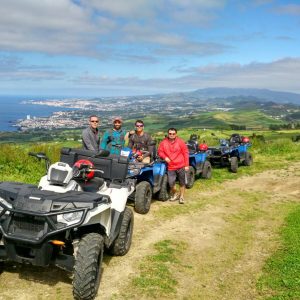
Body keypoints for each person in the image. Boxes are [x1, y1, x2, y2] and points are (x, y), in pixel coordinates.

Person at [158, 127, 189, 204]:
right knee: (171, 183)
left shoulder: (180, 142)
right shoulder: (163, 142)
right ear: (168, 134)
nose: (171, 135)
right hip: (171, 166)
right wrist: (165, 157)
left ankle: (181, 197)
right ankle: (175, 193)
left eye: (173, 134)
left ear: (176, 134)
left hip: (181, 165)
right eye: (170, 133)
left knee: (182, 183)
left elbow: (185, 153)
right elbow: (160, 151)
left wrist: (186, 165)